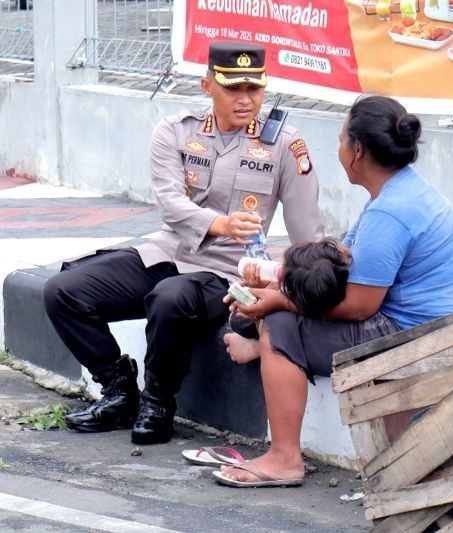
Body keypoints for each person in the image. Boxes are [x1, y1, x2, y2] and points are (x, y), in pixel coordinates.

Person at [42, 41, 324, 445]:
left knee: (169, 298)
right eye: (233, 90)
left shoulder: (284, 144)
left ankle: (158, 401)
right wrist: (222, 223)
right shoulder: (175, 131)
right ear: (207, 86)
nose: (246, 100)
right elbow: (170, 205)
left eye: (255, 90)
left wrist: (302, 288)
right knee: (63, 291)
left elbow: (306, 230)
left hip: (227, 271)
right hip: (168, 251)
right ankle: (119, 391)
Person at [214, 95, 453, 487]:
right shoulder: (399, 191)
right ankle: (262, 347)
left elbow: (358, 307)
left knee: (281, 325)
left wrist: (278, 301)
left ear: (357, 151)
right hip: (419, 323)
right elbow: (341, 264)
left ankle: (284, 459)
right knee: (269, 310)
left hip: (410, 335)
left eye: (340, 140)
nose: (338, 149)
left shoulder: (389, 212)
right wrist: (274, 280)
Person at [227, 238, 351, 364]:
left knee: (240, 321)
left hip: (292, 339)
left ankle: (258, 347)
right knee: (241, 319)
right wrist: (267, 287)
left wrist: (259, 298)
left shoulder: (296, 312)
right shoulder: (326, 281)